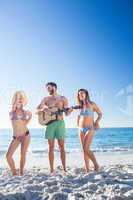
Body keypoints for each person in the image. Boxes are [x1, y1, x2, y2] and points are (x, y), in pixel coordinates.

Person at [37, 82, 72, 174]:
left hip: (60, 123)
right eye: (47, 88)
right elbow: (37, 110)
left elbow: (67, 113)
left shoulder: (63, 98)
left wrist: (70, 110)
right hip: (49, 125)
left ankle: (64, 168)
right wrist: (43, 108)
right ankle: (52, 169)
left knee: (62, 147)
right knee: (51, 147)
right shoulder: (45, 99)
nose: (48, 89)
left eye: (49, 87)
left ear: (54, 87)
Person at [76, 88, 102, 173]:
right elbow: (79, 117)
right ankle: (87, 170)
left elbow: (100, 113)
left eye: (82, 93)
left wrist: (97, 122)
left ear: (86, 94)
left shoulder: (92, 104)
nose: (81, 95)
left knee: (86, 148)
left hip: (90, 128)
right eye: (79, 94)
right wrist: (78, 125)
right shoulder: (79, 106)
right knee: (84, 150)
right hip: (80, 129)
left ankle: (96, 165)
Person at [6, 91, 32, 176]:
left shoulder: (25, 112)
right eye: (18, 98)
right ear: (15, 100)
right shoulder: (12, 111)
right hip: (16, 137)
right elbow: (14, 106)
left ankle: (21, 173)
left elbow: (24, 124)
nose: (20, 99)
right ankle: (14, 173)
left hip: (25, 135)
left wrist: (30, 116)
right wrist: (16, 101)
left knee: (22, 154)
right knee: (8, 156)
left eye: (21, 98)